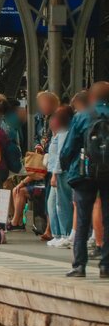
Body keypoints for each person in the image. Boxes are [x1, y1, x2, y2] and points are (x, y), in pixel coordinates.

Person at [59, 81, 109, 278]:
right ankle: (106, 266)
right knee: (108, 219)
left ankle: (79, 266)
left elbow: (69, 147)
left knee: (82, 220)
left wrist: (66, 167)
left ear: (91, 97)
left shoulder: (82, 116)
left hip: (84, 174)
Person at [46, 107, 74, 249]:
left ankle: (65, 234)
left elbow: (60, 156)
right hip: (58, 172)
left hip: (61, 173)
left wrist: (55, 175)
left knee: (61, 204)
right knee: (54, 204)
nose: (52, 120)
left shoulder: (63, 133)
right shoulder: (58, 134)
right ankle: (59, 234)